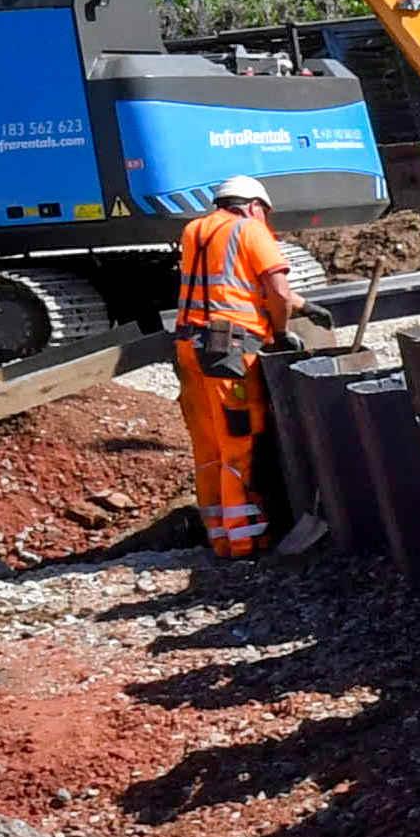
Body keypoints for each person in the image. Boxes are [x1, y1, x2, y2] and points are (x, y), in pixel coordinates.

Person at [168, 176, 294, 560]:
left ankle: (219, 536)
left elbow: (227, 284)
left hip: (190, 346)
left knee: (208, 445)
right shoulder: (251, 229)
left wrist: (303, 304)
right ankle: (246, 542)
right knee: (240, 442)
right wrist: (282, 330)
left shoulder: (196, 230)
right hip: (229, 351)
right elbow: (278, 292)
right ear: (255, 205)